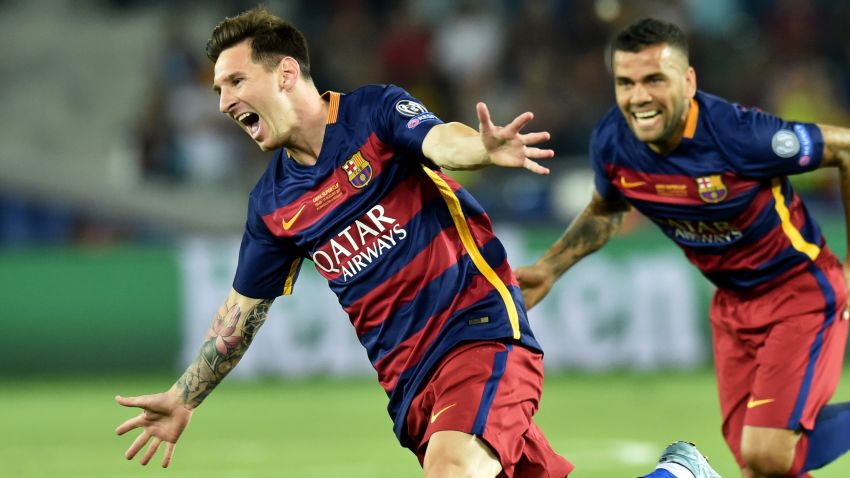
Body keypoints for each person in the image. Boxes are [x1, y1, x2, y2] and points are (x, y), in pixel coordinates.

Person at [115, 6, 568, 477]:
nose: (223, 102)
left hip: (477, 333)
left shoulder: (372, 112)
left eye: (235, 82)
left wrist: (482, 149)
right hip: (408, 385)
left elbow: (441, 141)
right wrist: (184, 397)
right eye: (218, 89)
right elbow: (239, 314)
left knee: (451, 469)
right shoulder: (271, 205)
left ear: (286, 73)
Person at [516, 18, 850, 478]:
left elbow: (846, 149)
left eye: (655, 79)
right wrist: (551, 268)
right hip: (732, 307)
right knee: (763, 465)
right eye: (626, 82)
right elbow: (608, 208)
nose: (639, 97)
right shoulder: (614, 142)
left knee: (768, 452)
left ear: (688, 81)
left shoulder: (739, 135)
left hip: (800, 293)